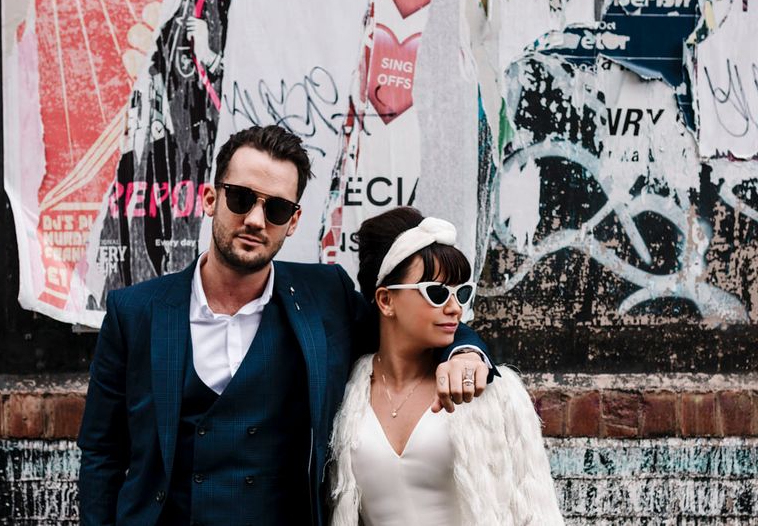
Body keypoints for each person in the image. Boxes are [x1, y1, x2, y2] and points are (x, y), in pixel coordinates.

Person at [77, 125, 494, 526]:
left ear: (293, 222)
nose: (256, 220)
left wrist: (465, 351)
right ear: (209, 199)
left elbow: (406, 327)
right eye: (241, 198)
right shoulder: (135, 311)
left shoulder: (324, 297)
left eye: (275, 208)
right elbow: (101, 452)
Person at [328, 207, 563, 526]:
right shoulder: (346, 395)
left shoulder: (490, 390)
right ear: (385, 300)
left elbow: (538, 514)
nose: (454, 308)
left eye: (461, 293)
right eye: (436, 293)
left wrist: (467, 352)